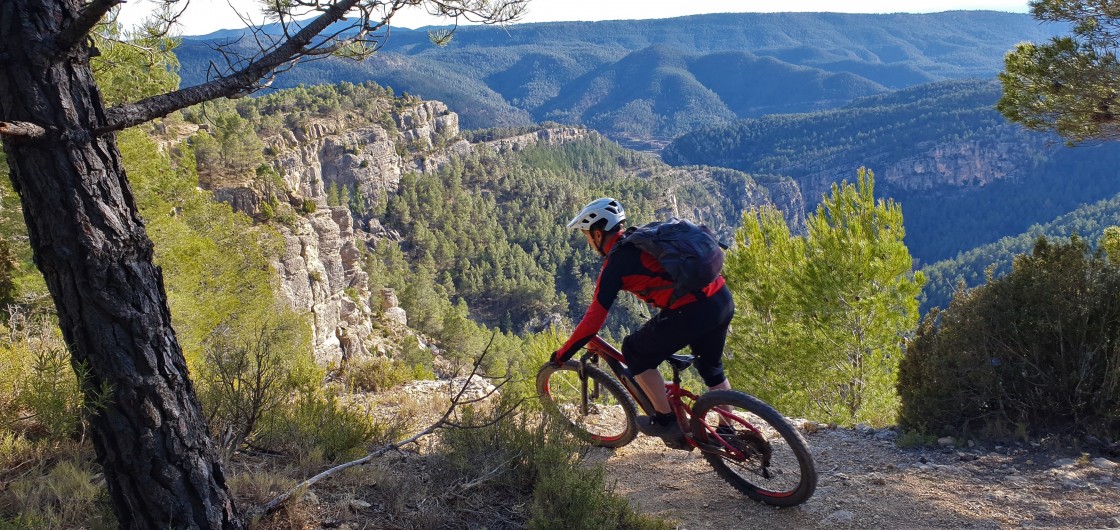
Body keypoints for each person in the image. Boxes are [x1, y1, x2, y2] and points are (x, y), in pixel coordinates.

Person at [552, 198, 735, 446]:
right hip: (720, 298)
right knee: (711, 367)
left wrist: (562, 355)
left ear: (597, 233)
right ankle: (728, 431)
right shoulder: (644, 236)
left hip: (692, 311)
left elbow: (593, 321)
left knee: (635, 351)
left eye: (587, 236)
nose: (588, 242)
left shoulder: (616, 264)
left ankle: (665, 421)